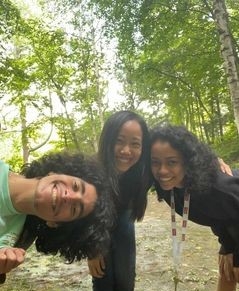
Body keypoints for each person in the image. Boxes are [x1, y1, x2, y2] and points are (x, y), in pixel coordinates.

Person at [0, 151, 114, 284]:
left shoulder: (18, 239)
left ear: (54, 223)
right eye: (75, 186)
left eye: (74, 209)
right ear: (54, 172)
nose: (69, 197)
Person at [150, 123, 239, 291]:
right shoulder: (170, 188)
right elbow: (219, 214)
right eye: (155, 162)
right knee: (227, 270)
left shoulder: (218, 188)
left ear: (188, 161)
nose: (162, 170)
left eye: (172, 162)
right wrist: (227, 245)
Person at [87, 110, 152, 291]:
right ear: (108, 140)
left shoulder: (144, 171)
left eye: (135, 144)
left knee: (125, 280)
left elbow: (177, 156)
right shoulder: (90, 171)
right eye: (119, 141)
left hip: (124, 221)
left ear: (143, 147)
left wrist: (213, 161)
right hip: (97, 226)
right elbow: (81, 217)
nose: (126, 151)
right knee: (103, 280)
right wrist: (92, 249)